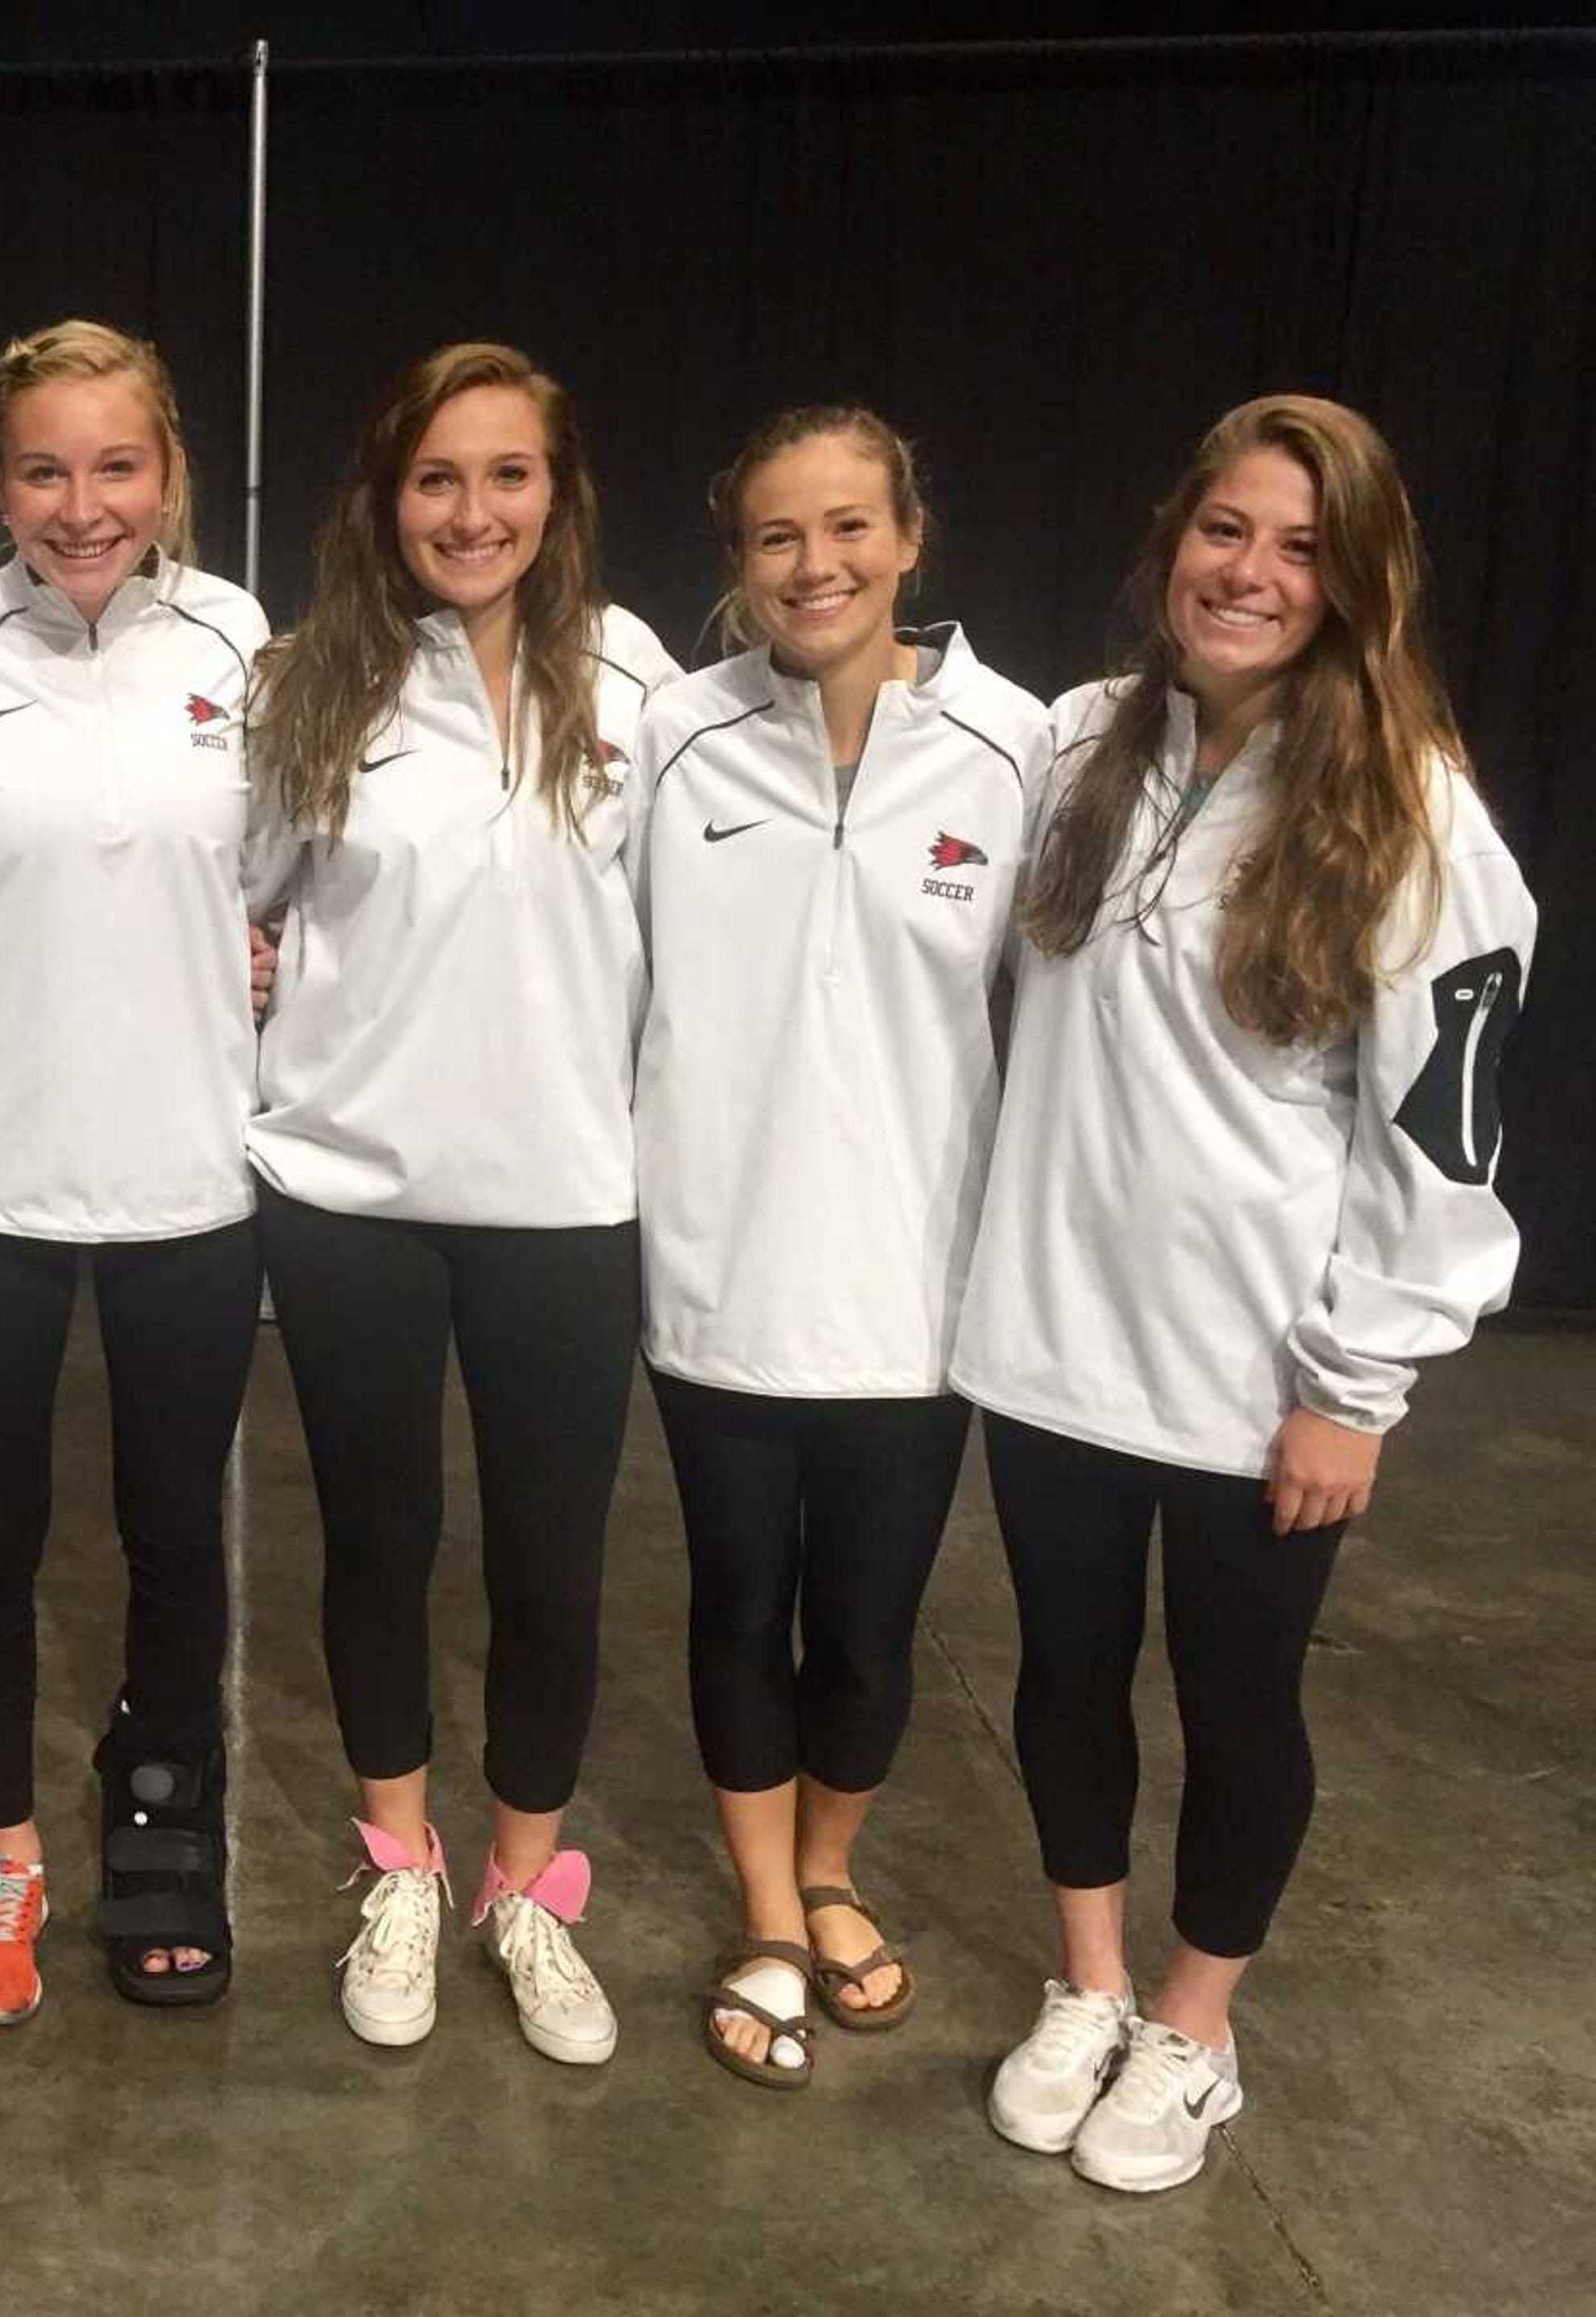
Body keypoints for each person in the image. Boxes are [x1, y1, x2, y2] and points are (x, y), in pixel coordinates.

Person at [954, 394, 1534, 2192]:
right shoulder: (1077, 747)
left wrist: (1355, 1384)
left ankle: (1195, 2029)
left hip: (1253, 1375)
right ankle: (1093, 1984)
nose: (1253, 574)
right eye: (1228, 531)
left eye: (1300, 549)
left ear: (1357, 584)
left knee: (1237, 1702)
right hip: (1050, 1343)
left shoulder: (1410, 812)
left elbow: (1443, 1134)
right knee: (1062, 1675)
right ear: (1172, 540)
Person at [242, 342, 679, 2063]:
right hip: (349, 1197)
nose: (472, 510)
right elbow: (237, 904)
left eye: (507, 476)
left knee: (553, 1567)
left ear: (557, 497)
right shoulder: (309, 684)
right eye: (439, 478)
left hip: (568, 1202)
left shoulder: (644, 686)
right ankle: (402, 1864)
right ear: (386, 497)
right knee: (379, 1543)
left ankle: (523, 1884)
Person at [628, 406, 1051, 2089]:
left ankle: (833, 1872)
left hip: (918, 1287)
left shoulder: (1024, 747)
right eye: (779, 536)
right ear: (739, 562)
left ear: (913, 534)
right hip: (718, 1274)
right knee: (739, 1603)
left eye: (852, 527)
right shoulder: (671, 733)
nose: (819, 565)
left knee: (869, 1629)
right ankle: (766, 1917)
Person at [0, 318, 270, 2026]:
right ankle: (7, 1851)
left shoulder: (245, 641)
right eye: (45, 468)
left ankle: (167, 1823)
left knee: (177, 1531)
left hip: (192, 1173)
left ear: (170, 471)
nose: (83, 502)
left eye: (118, 464)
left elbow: (290, 876)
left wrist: (268, 961)